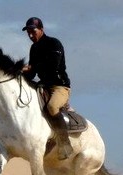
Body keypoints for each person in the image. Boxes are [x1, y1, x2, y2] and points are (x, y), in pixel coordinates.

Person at [21, 17, 73, 160]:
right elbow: (32, 73)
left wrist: (31, 67)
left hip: (60, 87)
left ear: (41, 30)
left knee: (51, 107)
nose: (31, 35)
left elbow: (53, 65)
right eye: (28, 33)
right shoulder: (34, 48)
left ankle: (65, 144)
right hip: (43, 86)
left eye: (33, 31)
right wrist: (20, 73)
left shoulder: (54, 43)